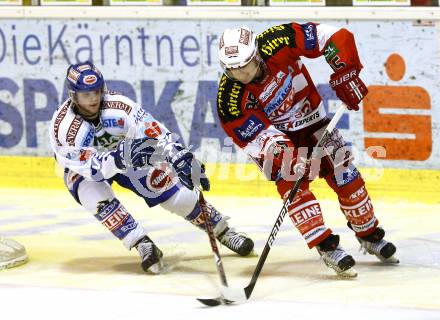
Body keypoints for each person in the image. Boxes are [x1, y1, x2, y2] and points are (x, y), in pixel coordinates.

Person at [216, 24, 398, 277]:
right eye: (232, 69)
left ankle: (369, 234)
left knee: (346, 176)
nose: (241, 74)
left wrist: (346, 71)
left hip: (314, 119)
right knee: (294, 186)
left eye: (245, 65)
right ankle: (327, 247)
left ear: (256, 54)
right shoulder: (229, 99)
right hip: (279, 136)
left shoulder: (278, 40)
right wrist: (283, 153)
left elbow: (332, 36)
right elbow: (255, 136)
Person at [49, 61, 254, 274]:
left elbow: (153, 130)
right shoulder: (64, 128)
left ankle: (223, 231)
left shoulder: (119, 105)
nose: (93, 98)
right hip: (86, 168)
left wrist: (178, 155)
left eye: (97, 91)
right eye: (86, 94)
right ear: (73, 95)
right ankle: (141, 243)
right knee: (95, 197)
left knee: (174, 192)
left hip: (130, 154)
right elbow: (92, 168)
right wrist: (119, 158)